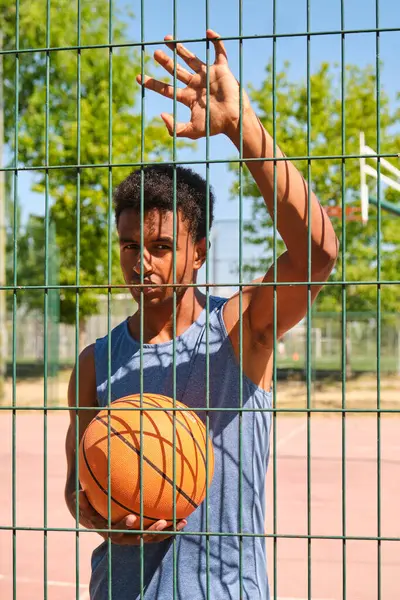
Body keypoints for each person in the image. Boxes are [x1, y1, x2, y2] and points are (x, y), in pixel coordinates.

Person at [64, 29, 338, 600]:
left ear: (199, 252)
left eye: (160, 247)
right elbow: (76, 491)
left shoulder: (241, 329)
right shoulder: (95, 363)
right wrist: (101, 513)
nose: (141, 261)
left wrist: (241, 126)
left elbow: (317, 253)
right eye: (129, 245)